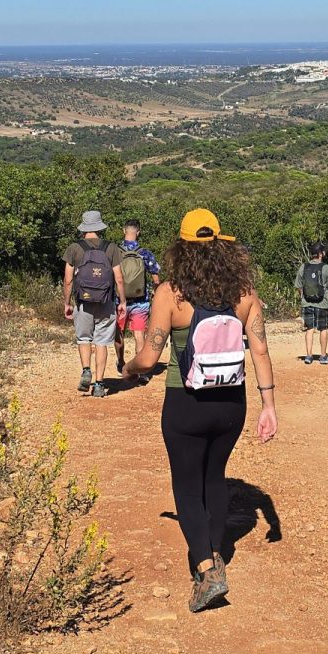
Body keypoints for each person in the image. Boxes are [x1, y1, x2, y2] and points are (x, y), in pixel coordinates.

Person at [124, 208, 278, 612]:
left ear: (182, 247)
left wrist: (128, 369)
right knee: (215, 476)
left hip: (185, 402)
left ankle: (208, 568)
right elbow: (259, 349)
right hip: (232, 404)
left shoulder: (170, 294)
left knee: (187, 485)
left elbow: (149, 355)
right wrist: (269, 406)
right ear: (222, 247)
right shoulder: (244, 293)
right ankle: (215, 549)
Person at [62, 210, 124, 397]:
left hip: (83, 302)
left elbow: (68, 279)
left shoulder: (74, 248)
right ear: (99, 228)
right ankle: (99, 384)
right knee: (102, 341)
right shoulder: (111, 248)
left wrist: (67, 303)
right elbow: (119, 279)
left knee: (84, 338)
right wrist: (122, 302)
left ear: (83, 228)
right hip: (106, 301)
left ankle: (86, 370)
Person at [115, 219, 162, 374]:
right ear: (138, 232)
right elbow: (156, 277)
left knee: (119, 333)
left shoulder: (115, 252)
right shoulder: (144, 253)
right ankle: (140, 370)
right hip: (141, 301)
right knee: (138, 333)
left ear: (124, 231)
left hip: (119, 301)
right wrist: (155, 293)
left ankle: (121, 362)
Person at [294, 241, 328, 364]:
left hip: (307, 302)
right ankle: (323, 356)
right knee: (323, 328)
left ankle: (308, 356)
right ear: (321, 254)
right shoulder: (326, 268)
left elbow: (298, 285)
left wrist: (303, 296)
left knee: (309, 329)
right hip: (322, 303)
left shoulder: (303, 267)